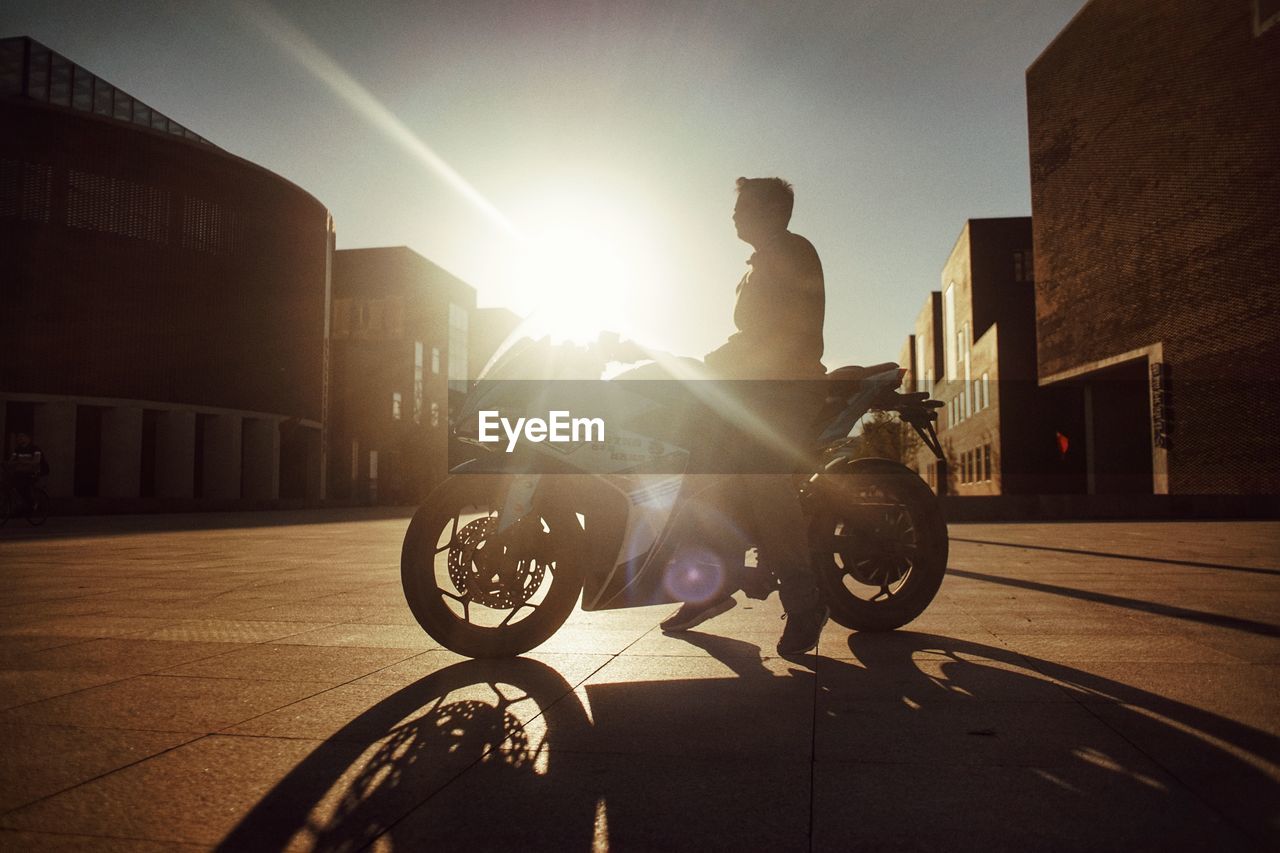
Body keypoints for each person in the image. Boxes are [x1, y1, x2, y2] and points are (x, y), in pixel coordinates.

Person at [660, 176, 830, 655]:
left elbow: (778, 334)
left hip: (787, 390)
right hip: (756, 391)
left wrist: (714, 362)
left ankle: (805, 601)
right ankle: (710, 586)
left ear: (771, 212)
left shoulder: (792, 253)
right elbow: (751, 338)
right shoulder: (759, 262)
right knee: (700, 471)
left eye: (742, 208)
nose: (733, 215)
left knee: (763, 477)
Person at [6, 432, 45, 513]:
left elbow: (36, 461)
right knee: (10, 484)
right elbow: (12, 460)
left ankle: (32, 503)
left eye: (22, 436)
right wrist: (8, 463)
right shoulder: (17, 449)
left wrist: (22, 462)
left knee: (23, 487)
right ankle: (19, 504)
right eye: (19, 436)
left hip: (31, 473)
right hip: (19, 472)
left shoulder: (35, 449)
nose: (19, 438)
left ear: (28, 438)